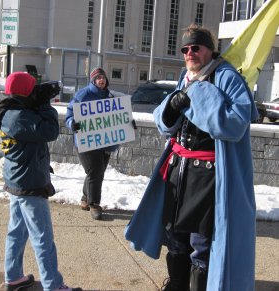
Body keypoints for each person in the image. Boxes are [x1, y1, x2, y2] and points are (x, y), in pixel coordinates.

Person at [125, 24, 258, 291]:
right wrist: (172, 107)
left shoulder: (228, 78)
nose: (189, 53)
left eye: (195, 47)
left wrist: (197, 93)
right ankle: (176, 286)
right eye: (185, 49)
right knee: (175, 239)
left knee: (201, 245)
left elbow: (234, 124)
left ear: (210, 50)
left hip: (207, 177)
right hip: (179, 171)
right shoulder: (186, 77)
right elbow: (165, 120)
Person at [0, 72, 82, 291]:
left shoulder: (12, 110)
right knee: (43, 238)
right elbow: (50, 131)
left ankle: (13, 277)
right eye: (33, 88)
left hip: (19, 180)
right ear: (24, 93)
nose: (37, 91)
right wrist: (44, 103)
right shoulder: (18, 117)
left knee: (17, 231)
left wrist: (36, 100)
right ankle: (53, 285)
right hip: (29, 184)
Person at [65, 67, 118, 220]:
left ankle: (85, 198)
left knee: (95, 172)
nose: (101, 80)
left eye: (103, 78)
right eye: (98, 78)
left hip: (105, 142)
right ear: (93, 80)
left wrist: (128, 123)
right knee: (96, 172)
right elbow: (69, 113)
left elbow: (116, 117)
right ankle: (94, 204)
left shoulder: (110, 96)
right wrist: (72, 123)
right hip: (85, 141)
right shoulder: (83, 94)